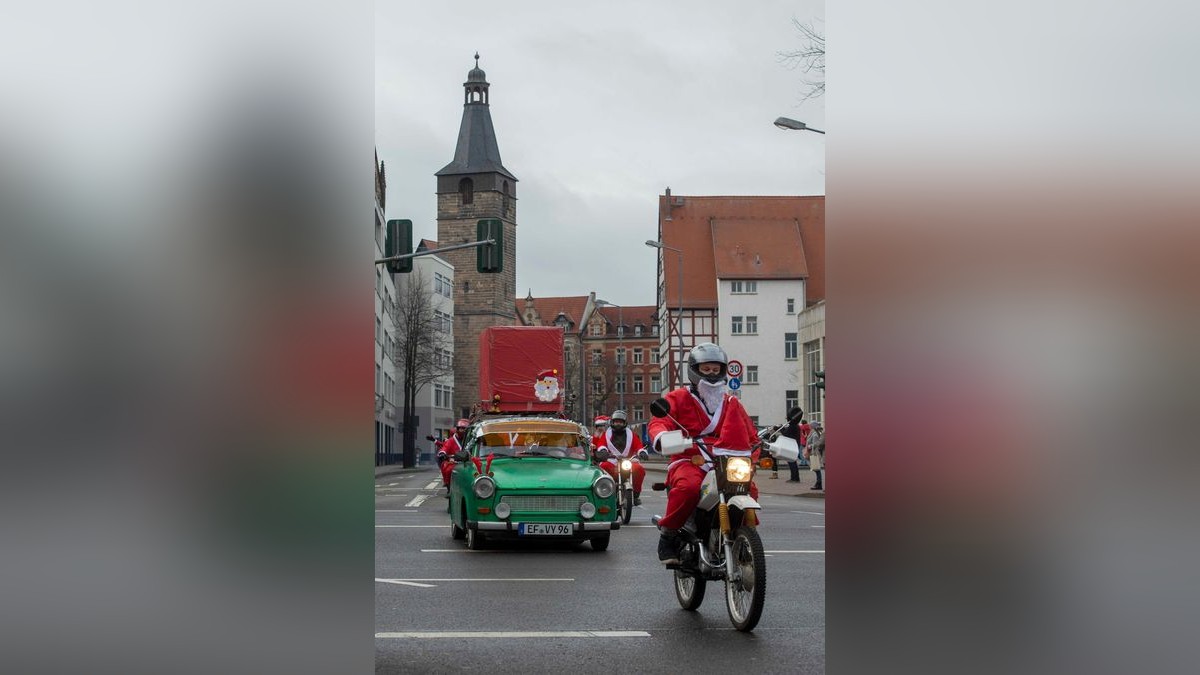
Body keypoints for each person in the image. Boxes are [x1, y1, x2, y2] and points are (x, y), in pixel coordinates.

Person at [647, 343, 760, 565]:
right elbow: (659, 421)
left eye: (715, 369)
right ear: (694, 370)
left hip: (725, 461)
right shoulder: (678, 398)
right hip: (689, 458)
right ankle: (668, 534)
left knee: (749, 488)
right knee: (688, 488)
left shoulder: (732, 403)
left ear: (723, 370)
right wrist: (661, 437)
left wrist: (763, 447)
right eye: (706, 369)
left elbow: (751, 435)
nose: (711, 374)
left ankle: (744, 539)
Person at [595, 409, 647, 505]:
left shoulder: (632, 434)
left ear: (625, 423)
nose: (618, 424)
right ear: (612, 422)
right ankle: (604, 490)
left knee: (639, 469)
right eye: (616, 422)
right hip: (612, 460)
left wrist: (642, 452)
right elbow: (601, 444)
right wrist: (603, 451)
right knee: (603, 468)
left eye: (620, 422)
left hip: (628, 461)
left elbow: (638, 445)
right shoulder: (606, 434)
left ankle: (635, 494)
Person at [438, 418, 470, 490]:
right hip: (454, 462)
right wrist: (442, 453)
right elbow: (445, 447)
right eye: (460, 428)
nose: (462, 430)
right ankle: (449, 487)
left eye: (464, 429)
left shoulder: (471, 439)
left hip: (469, 462)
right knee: (449, 470)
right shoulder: (451, 440)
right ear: (457, 429)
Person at [781, 407, 805, 482]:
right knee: (792, 462)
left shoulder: (793, 426)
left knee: (792, 463)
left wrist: (780, 429)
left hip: (792, 446)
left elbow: (786, 434)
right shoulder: (795, 425)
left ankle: (795, 478)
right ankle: (794, 477)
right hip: (793, 445)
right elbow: (787, 432)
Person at [805, 420, 824, 490]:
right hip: (813, 453)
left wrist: (810, 446)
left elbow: (816, 444)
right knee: (816, 469)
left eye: (810, 425)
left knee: (816, 469)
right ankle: (818, 483)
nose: (809, 426)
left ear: (813, 426)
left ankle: (819, 484)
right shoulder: (813, 432)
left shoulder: (815, 434)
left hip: (814, 453)